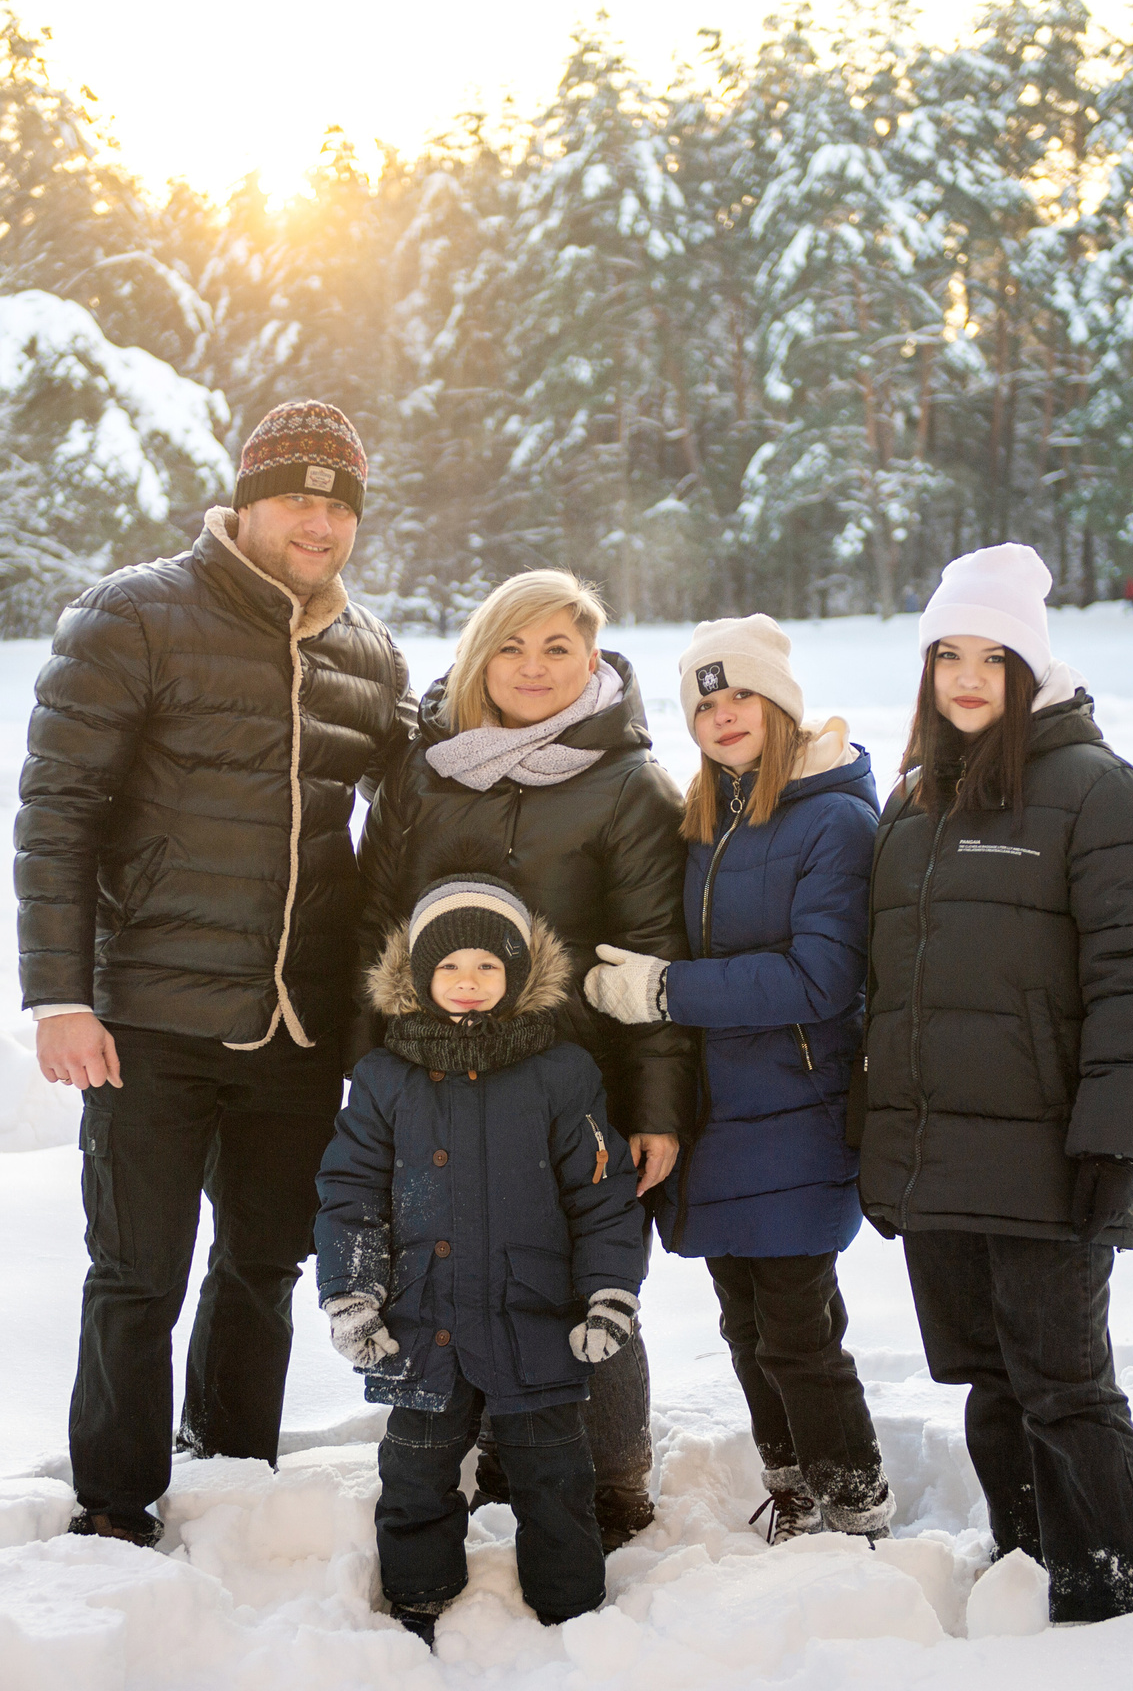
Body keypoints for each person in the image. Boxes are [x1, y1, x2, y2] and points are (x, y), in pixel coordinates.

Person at [17, 400, 412, 1547]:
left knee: (263, 1265)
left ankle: (232, 1465)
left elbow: (416, 811)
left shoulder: (366, 654)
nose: (318, 521)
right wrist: (61, 995)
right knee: (137, 1271)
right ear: (243, 503)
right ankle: (115, 1499)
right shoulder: (134, 616)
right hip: (147, 1017)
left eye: (339, 504)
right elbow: (58, 816)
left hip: (296, 1027)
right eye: (296, 496)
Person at [856, 542, 1133, 1624]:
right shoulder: (912, 808)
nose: (963, 677)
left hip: (1050, 1155)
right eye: (944, 654)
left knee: (1063, 1387)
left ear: (1028, 667)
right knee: (991, 1386)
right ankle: (1026, 1574)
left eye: (988, 657)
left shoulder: (1101, 795)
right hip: (939, 1159)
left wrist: (1114, 1145)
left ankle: (1122, 1607)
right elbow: (892, 999)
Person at [354, 568, 694, 1548]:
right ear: (477, 657)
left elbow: (654, 953)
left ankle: (612, 1476)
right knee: (458, 1270)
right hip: (434, 1075)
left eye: (557, 648)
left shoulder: (629, 785)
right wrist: (367, 1075)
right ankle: (492, 1457)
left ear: (592, 660)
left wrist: (658, 1106)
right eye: (511, 646)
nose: (533, 668)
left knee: (586, 1275)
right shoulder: (421, 773)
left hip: (574, 1081)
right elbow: (375, 922)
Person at [582, 616, 893, 1545]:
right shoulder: (703, 819)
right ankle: (792, 1480)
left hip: (798, 1111)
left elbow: (821, 978)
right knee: (744, 1324)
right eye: (705, 705)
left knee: (799, 1330)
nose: (722, 718)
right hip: (721, 1119)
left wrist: (665, 992)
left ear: (781, 705)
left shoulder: (832, 818)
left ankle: (855, 1500)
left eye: (740, 697)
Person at [317, 876, 648, 1643]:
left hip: (533, 1317)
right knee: (414, 1475)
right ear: (419, 979)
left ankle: (572, 1611)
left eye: (488, 967)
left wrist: (609, 1294)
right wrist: (352, 1294)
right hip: (423, 1322)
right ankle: (416, 1598)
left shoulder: (561, 1073)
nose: (469, 984)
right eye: (450, 969)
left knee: (556, 1476)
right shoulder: (384, 1078)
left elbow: (602, 1194)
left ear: (520, 976)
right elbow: (350, 1196)